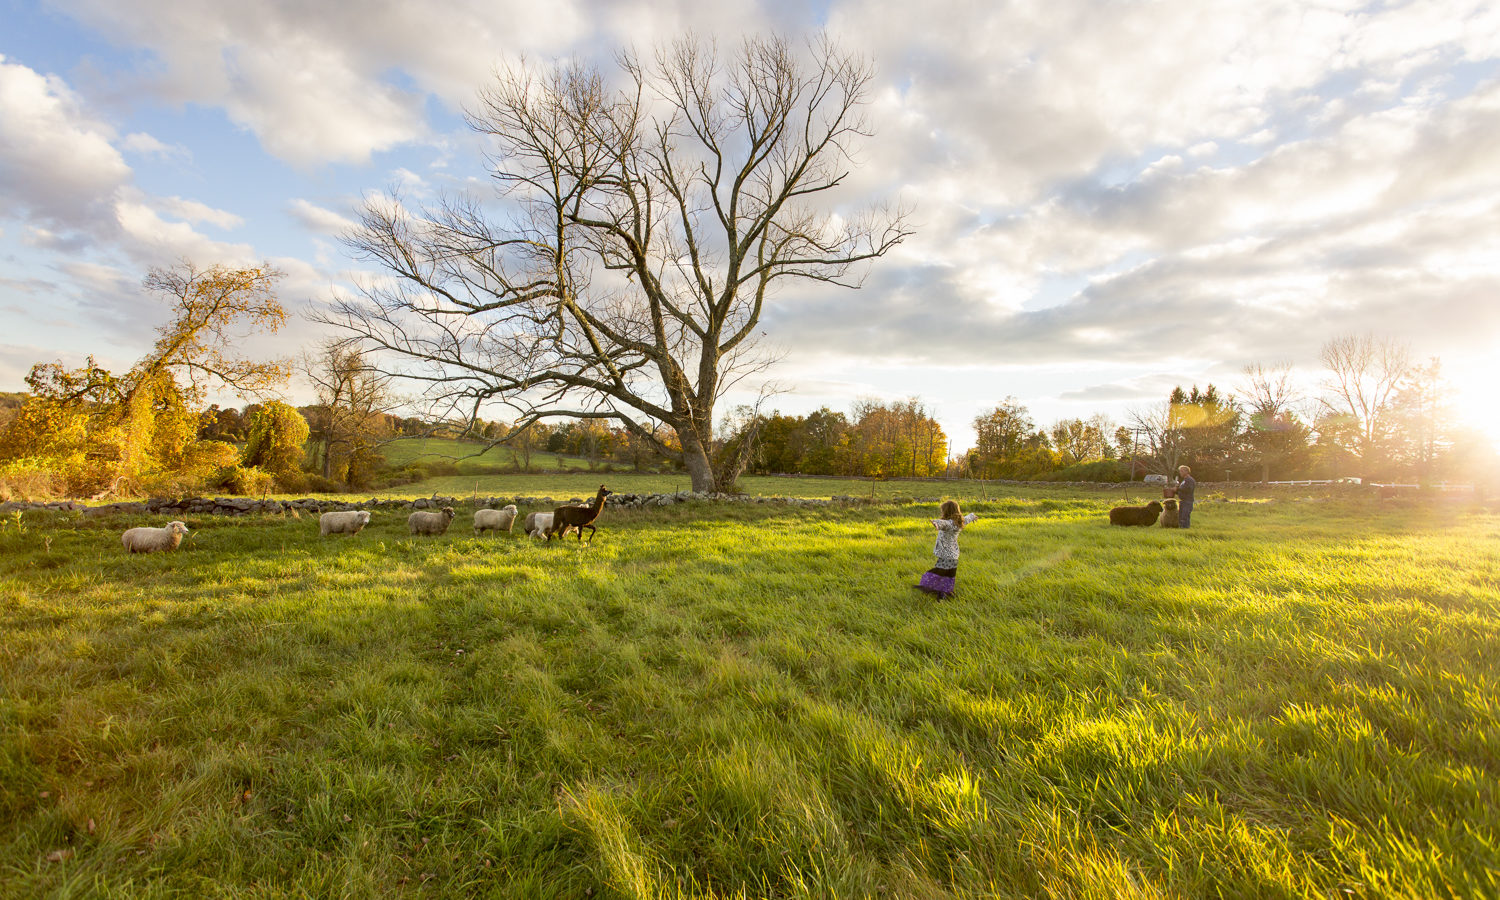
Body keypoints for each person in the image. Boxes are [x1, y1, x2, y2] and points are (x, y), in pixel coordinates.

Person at [915, 500, 979, 598]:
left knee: (937, 572)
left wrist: (936, 523)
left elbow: (942, 523)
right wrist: (973, 516)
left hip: (945, 554)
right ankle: (947, 591)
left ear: (946, 511)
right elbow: (968, 517)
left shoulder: (948, 523)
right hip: (953, 554)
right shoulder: (960, 521)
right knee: (949, 574)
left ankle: (934, 590)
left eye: (943, 511)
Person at [1175, 465, 1196, 529]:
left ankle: (1185, 530)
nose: (1180, 472)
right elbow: (1182, 490)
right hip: (1183, 501)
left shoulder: (1189, 480)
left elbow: (1188, 489)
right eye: (1180, 471)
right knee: (1181, 517)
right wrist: (1175, 491)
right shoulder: (1184, 480)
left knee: (1185, 517)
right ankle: (1182, 530)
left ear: (1187, 471)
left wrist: (1178, 489)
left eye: (1182, 471)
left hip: (1187, 501)